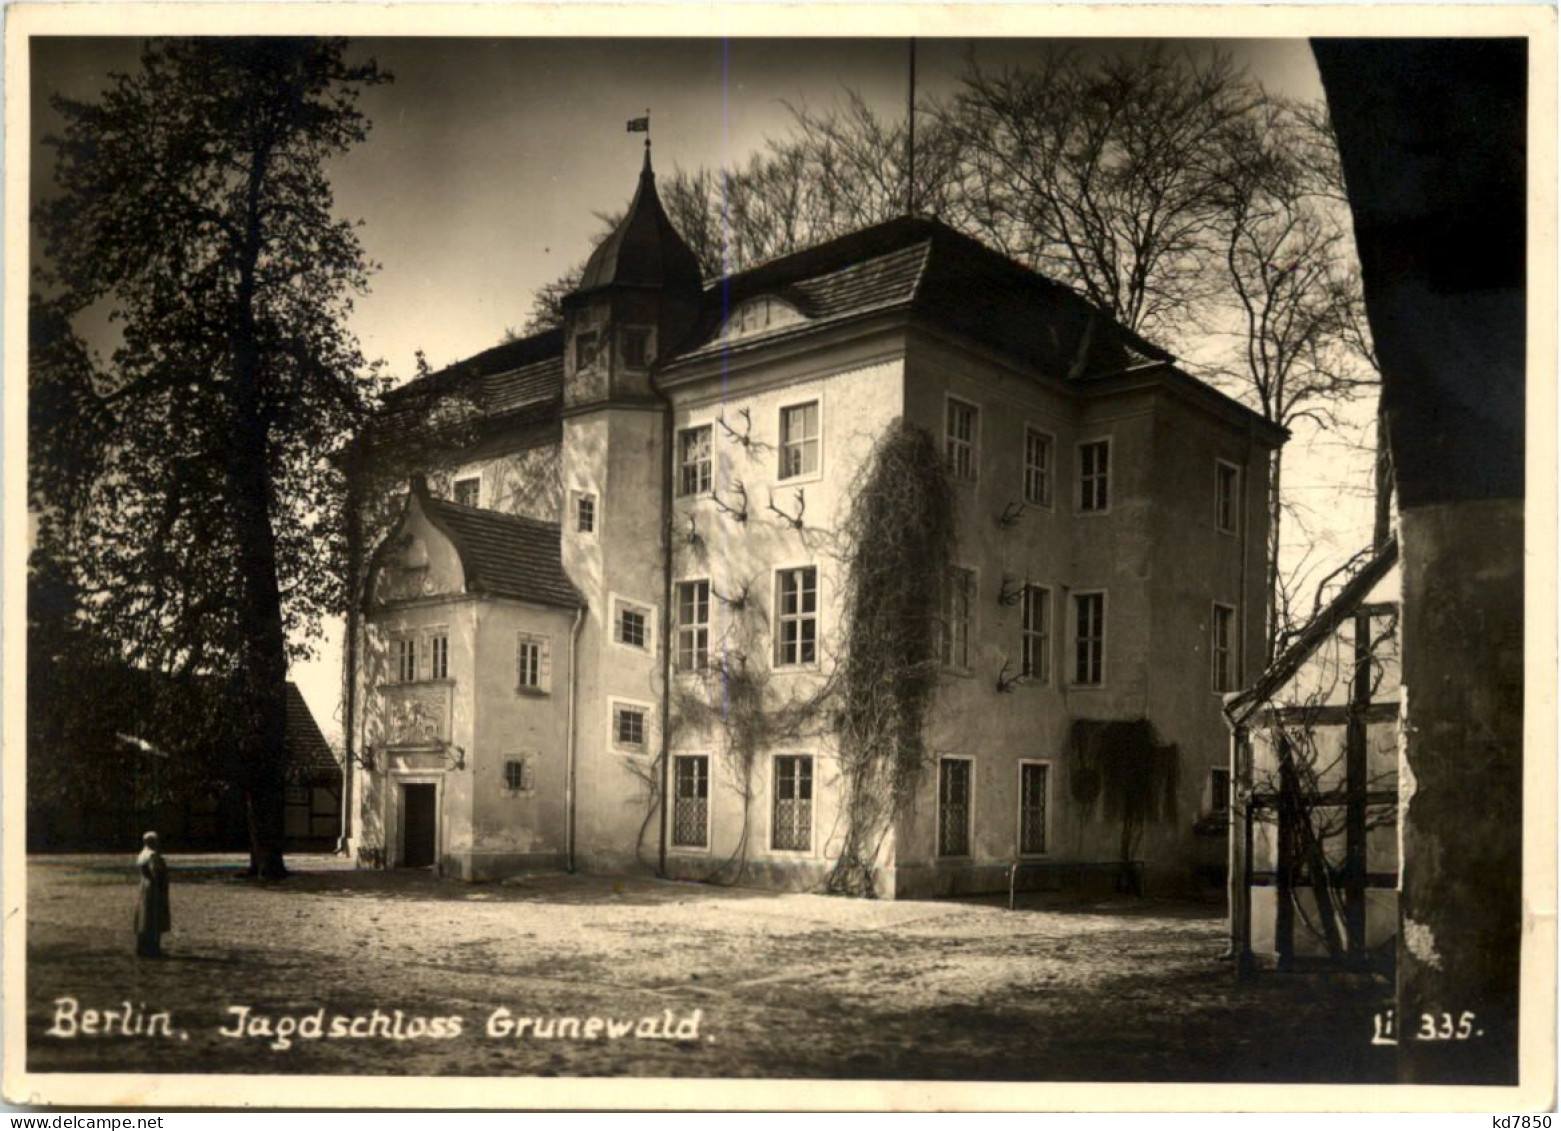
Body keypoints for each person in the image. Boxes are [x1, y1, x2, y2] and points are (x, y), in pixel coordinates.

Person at [134, 831, 171, 958]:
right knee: (154, 918)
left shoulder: (142, 854)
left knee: (144, 917)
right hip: (155, 889)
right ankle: (153, 948)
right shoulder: (153, 855)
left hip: (144, 887)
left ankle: (142, 946)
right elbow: (156, 872)